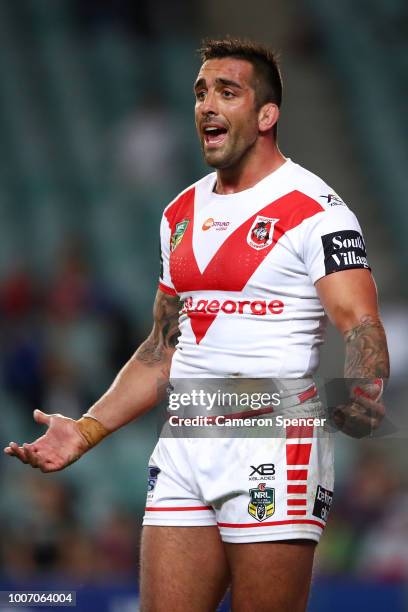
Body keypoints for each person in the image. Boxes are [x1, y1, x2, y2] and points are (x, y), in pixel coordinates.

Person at [4, 38, 389, 611]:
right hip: (186, 439)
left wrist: (360, 398)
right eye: (200, 92)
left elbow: (359, 321)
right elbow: (161, 351)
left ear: (266, 115)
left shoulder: (316, 211)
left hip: (273, 441)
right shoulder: (179, 213)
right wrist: (86, 430)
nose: (207, 104)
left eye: (226, 92)